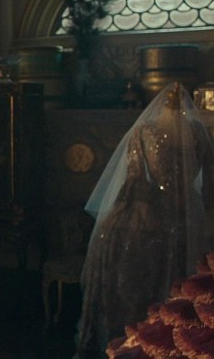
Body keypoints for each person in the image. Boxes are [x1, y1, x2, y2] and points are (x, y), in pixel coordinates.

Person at [75, 82, 214, 358]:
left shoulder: (173, 131)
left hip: (169, 215)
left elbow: (138, 175)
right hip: (174, 213)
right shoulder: (176, 132)